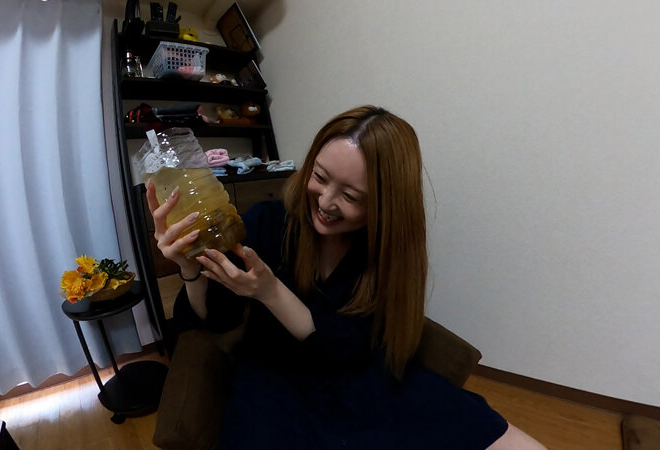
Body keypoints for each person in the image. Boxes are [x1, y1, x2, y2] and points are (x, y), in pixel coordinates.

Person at [147, 106, 545, 449]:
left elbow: (351, 348)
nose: (325, 202)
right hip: (274, 381)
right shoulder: (267, 223)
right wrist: (189, 266)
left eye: (351, 196)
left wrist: (271, 292)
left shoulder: (385, 253)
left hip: (361, 379)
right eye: (320, 177)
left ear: (385, 205)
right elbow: (216, 318)